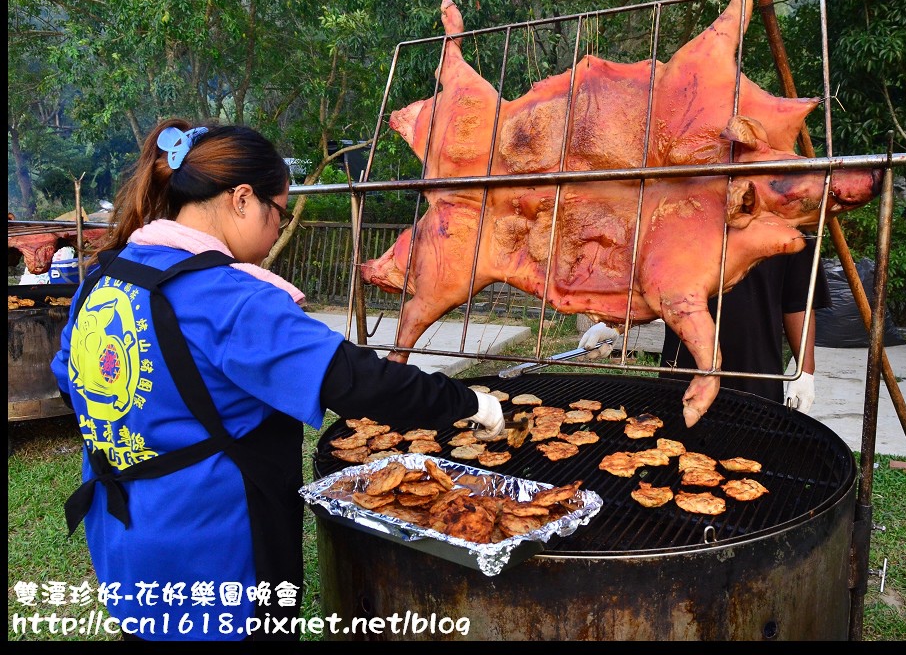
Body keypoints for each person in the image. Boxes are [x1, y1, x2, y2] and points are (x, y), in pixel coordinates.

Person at [50, 119, 506, 642]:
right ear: (242, 199)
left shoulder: (105, 278)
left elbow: (72, 384)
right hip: (215, 554)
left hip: (126, 544)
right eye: (279, 213)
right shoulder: (229, 298)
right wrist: (471, 402)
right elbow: (357, 382)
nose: (275, 233)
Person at [579, 243, 829, 412]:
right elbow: (657, 290)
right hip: (681, 374)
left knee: (751, 471)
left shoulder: (787, 222)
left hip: (756, 373)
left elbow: (800, 303)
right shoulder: (683, 215)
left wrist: (805, 372)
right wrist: (615, 325)